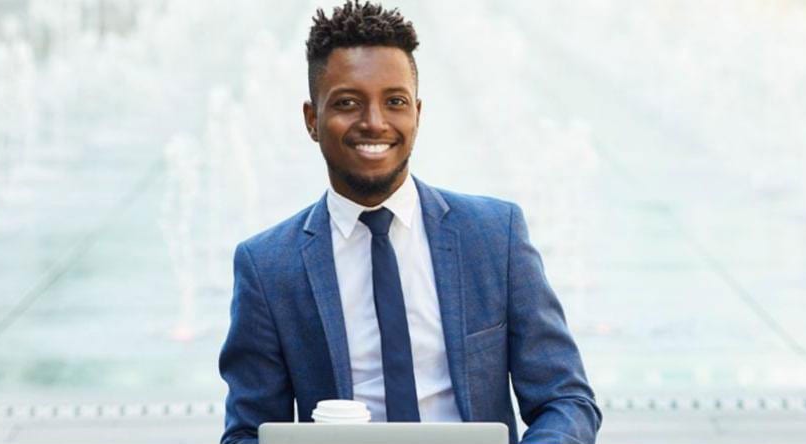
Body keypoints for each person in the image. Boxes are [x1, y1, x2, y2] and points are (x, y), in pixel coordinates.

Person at [218, 1, 601, 443]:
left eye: (394, 102)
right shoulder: (267, 267)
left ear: (417, 113)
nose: (374, 122)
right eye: (347, 103)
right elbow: (246, 432)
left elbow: (565, 399)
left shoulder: (496, 236)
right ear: (312, 119)